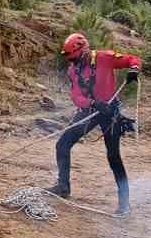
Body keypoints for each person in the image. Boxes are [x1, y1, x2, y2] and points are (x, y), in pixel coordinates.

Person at [51, 32, 142, 215]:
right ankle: (63, 186)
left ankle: (124, 203)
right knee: (63, 144)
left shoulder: (104, 57)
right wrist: (92, 104)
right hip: (90, 112)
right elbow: (76, 96)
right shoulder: (72, 70)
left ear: (83, 51)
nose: (73, 63)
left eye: (75, 59)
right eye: (71, 59)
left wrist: (134, 69)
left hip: (110, 113)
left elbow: (133, 59)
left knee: (113, 156)